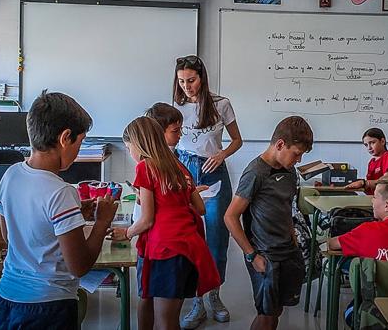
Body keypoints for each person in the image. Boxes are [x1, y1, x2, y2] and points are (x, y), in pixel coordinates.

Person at [0, 92, 118, 329]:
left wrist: (72, 215)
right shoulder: (61, 192)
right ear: (65, 138)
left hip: (5, 299)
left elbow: (9, 236)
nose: (79, 150)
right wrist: (102, 223)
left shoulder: (11, 175)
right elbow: (79, 266)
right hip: (47, 306)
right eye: (80, 143)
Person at [111, 116, 220, 330]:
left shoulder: (145, 168)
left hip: (165, 250)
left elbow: (147, 219)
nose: (129, 153)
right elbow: (200, 209)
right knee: (170, 318)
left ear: (139, 144)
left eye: (128, 147)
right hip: (188, 249)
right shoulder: (178, 167)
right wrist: (175, 204)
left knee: (165, 322)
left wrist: (127, 233)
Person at [172, 55, 243, 328]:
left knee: (216, 235)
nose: (187, 87)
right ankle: (196, 303)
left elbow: (237, 139)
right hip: (184, 169)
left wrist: (223, 153)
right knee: (190, 237)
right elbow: (169, 142)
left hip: (214, 171)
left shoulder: (221, 104)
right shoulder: (175, 105)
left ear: (202, 77)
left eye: (191, 80)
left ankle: (214, 295)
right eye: (181, 81)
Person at [224, 116, 313, 330]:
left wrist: (292, 238)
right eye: (297, 154)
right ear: (280, 144)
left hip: (287, 250)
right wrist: (251, 255)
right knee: (266, 315)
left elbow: (285, 207)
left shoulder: (289, 171)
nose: (298, 160)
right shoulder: (256, 173)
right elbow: (230, 217)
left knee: (276, 311)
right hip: (264, 254)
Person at [346, 128, 388, 195]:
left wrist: (364, 183)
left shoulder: (387, 156)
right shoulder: (371, 162)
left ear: (382, 141)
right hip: (374, 197)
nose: (369, 148)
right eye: (366, 145)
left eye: (372, 143)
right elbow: (371, 186)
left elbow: (387, 181)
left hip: (387, 197)